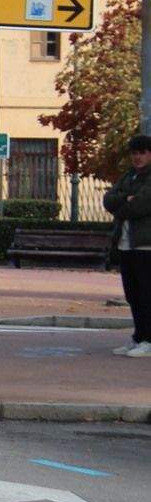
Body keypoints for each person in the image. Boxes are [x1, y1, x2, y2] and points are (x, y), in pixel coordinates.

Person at [105, 134, 151, 357]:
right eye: (134, 153)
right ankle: (138, 336)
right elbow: (108, 199)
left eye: (142, 153)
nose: (138, 157)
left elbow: (141, 205)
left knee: (146, 294)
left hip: (146, 245)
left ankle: (149, 340)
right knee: (132, 295)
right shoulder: (129, 176)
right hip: (125, 244)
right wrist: (126, 199)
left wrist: (122, 204)